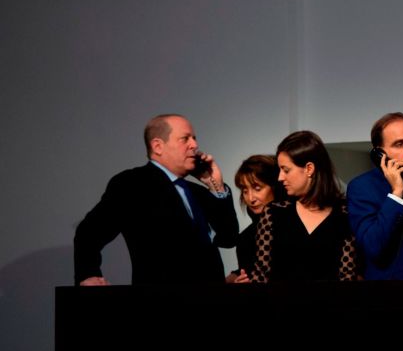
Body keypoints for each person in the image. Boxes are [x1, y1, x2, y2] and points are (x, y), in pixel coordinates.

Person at [74, 114, 239, 285]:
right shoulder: (132, 184)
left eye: (194, 139)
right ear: (158, 146)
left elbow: (228, 238)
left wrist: (216, 185)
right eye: (185, 139)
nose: (195, 145)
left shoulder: (197, 191)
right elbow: (89, 233)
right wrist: (88, 275)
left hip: (213, 304)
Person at [249, 131, 358, 282]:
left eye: (286, 170)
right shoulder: (274, 213)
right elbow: (260, 275)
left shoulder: (344, 213)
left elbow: (347, 275)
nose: (280, 177)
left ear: (309, 169)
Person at [347, 112, 403, 280]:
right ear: (380, 153)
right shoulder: (362, 187)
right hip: (388, 294)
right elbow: (374, 247)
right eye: (400, 144)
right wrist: (396, 193)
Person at [231, 155, 288, 280]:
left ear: (275, 187)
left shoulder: (296, 225)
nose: (251, 198)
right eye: (245, 191)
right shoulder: (244, 239)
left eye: (257, 188)